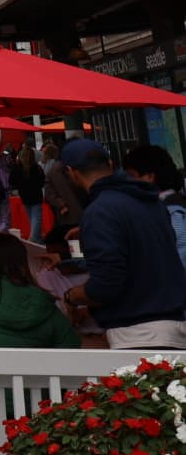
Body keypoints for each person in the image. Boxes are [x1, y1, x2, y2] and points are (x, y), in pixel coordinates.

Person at [59, 139, 186, 348]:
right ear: (110, 164)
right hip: (173, 323)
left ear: (71, 172)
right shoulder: (150, 202)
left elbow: (105, 284)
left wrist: (71, 296)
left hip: (138, 333)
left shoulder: (100, 211)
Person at [122, 143, 186, 273]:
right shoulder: (169, 207)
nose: (126, 182)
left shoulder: (172, 214)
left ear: (150, 177)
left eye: (131, 176)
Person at [10, 145, 47, 243]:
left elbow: (11, 181)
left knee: (32, 220)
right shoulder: (36, 168)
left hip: (24, 196)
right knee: (36, 220)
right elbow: (42, 181)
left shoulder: (17, 168)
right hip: (36, 196)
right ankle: (34, 240)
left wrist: (20, 185)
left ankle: (37, 240)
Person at [44, 155, 87, 232]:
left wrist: (61, 204)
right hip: (80, 210)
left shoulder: (52, 171)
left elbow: (48, 193)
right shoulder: (73, 167)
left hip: (66, 213)